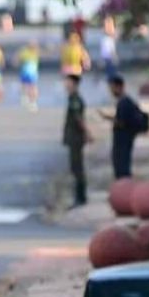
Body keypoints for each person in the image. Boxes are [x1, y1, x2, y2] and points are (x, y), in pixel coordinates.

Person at [100, 74, 145, 180]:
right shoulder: (126, 101)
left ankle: (124, 188)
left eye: (112, 88)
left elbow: (122, 122)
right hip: (125, 140)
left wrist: (112, 120)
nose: (111, 91)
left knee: (122, 167)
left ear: (118, 87)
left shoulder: (124, 102)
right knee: (123, 165)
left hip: (123, 140)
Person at [63, 74, 93, 208]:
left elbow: (78, 119)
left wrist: (87, 132)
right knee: (75, 167)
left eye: (68, 82)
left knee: (77, 168)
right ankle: (80, 197)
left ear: (74, 84)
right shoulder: (72, 98)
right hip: (73, 137)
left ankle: (80, 197)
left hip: (76, 138)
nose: (66, 84)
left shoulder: (75, 99)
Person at [16, 40, 41, 111]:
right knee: (24, 86)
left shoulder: (36, 52)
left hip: (33, 73)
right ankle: (25, 97)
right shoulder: (24, 52)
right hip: (25, 72)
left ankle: (33, 102)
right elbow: (18, 58)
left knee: (33, 87)